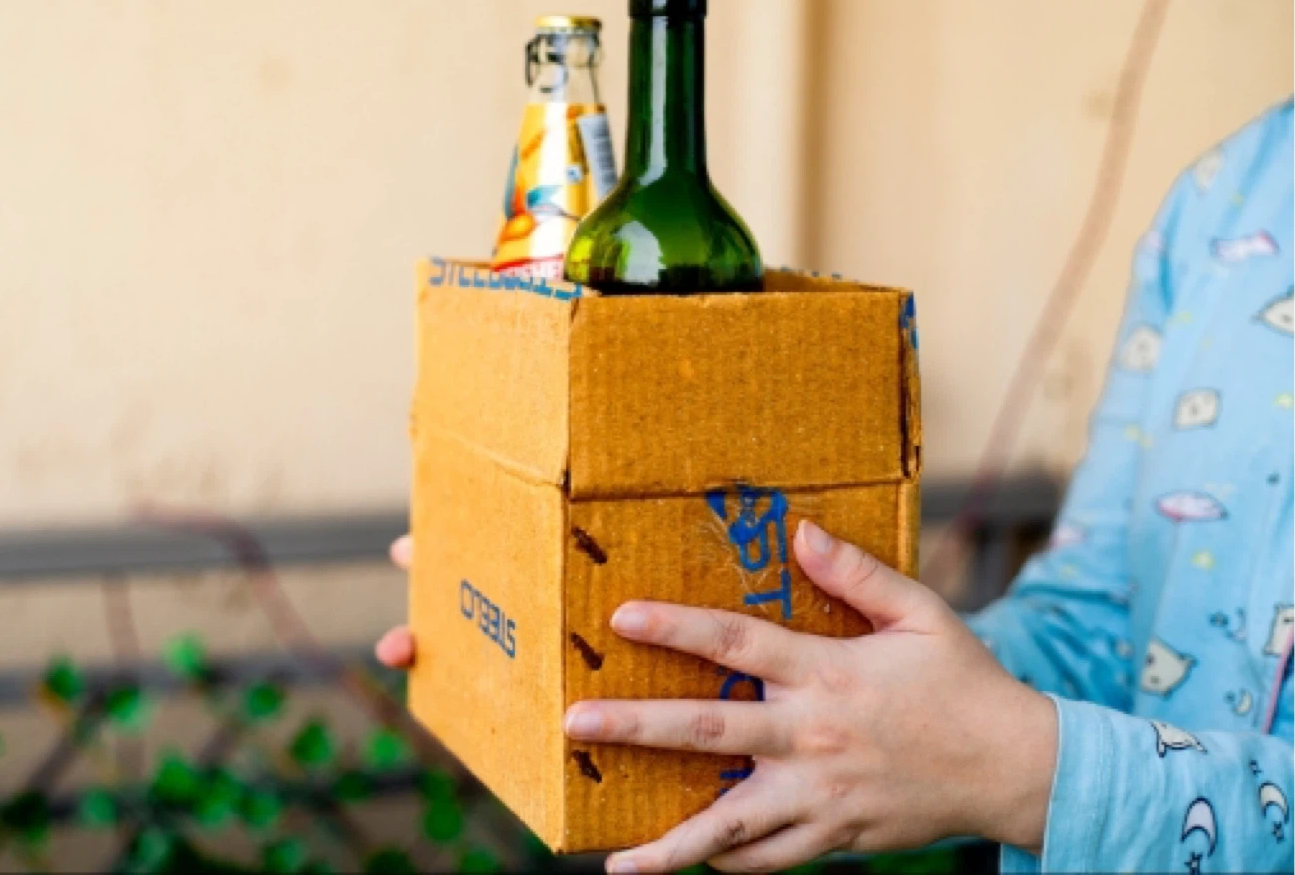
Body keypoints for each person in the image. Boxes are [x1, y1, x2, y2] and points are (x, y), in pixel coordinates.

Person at [378, 97, 1295, 873]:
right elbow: (1098, 622)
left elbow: (1006, 753)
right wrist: (834, 695)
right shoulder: (1218, 200)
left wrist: (1013, 769)